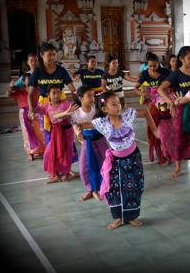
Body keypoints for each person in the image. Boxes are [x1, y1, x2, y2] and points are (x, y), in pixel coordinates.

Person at [92, 91, 158, 230]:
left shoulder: (127, 116)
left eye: (119, 103)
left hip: (134, 158)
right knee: (114, 189)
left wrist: (155, 131)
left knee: (133, 187)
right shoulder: (102, 123)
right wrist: (77, 130)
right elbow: (84, 124)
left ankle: (131, 217)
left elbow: (146, 112)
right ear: (104, 109)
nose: (118, 106)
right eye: (114, 104)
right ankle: (118, 218)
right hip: (116, 161)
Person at [158, 46, 190, 179]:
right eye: (189, 58)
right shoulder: (176, 74)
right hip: (180, 109)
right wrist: (170, 101)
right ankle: (178, 167)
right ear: (181, 59)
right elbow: (161, 89)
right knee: (178, 136)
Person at [27, 42, 77, 145]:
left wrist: (78, 101)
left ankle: (66, 158)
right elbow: (30, 94)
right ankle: (53, 155)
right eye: (49, 54)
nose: (52, 57)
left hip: (61, 105)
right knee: (49, 133)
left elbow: (73, 90)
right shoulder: (37, 72)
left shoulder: (61, 70)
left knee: (64, 132)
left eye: (54, 54)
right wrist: (31, 110)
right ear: (42, 55)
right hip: (45, 107)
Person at [71, 85, 109, 201]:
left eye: (93, 96)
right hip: (87, 142)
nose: (92, 98)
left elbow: (102, 122)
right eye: (89, 96)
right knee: (84, 166)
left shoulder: (97, 108)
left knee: (104, 164)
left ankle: (103, 188)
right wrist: (78, 133)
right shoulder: (76, 112)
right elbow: (75, 124)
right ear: (81, 98)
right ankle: (91, 190)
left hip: (100, 139)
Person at [37, 84, 79, 184]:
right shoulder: (46, 106)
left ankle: (67, 173)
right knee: (49, 153)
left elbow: (70, 114)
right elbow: (38, 110)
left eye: (59, 92)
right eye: (54, 93)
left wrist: (67, 114)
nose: (56, 95)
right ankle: (55, 175)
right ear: (48, 95)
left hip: (67, 132)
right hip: (55, 133)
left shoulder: (66, 104)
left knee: (67, 153)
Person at [134, 53, 171, 164]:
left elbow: (172, 84)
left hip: (164, 102)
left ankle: (168, 154)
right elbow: (135, 87)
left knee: (165, 130)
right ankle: (156, 152)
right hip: (152, 103)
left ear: (158, 64)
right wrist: (142, 93)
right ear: (147, 65)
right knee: (152, 128)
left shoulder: (165, 72)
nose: (153, 68)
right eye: (150, 66)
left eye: (155, 66)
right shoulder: (145, 74)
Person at [7, 77, 45, 161]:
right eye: (26, 85)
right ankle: (30, 153)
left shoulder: (37, 91)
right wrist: (10, 87)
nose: (28, 87)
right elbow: (8, 94)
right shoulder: (19, 91)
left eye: (31, 84)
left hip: (36, 114)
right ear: (23, 84)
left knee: (39, 132)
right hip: (24, 115)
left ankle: (41, 151)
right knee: (27, 134)